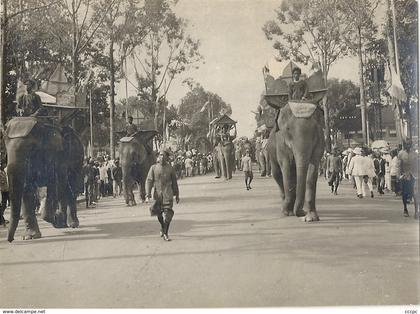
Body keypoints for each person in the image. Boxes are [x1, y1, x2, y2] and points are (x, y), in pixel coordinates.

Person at [146, 149, 180, 241]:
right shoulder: (153, 168)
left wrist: (177, 194)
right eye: (160, 155)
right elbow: (149, 180)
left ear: (167, 157)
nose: (162, 157)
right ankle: (162, 226)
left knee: (168, 214)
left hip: (168, 193)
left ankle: (166, 233)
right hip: (158, 195)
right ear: (157, 157)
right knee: (159, 214)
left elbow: (174, 182)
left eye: (164, 155)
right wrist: (148, 193)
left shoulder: (170, 168)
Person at [398, 140, 419, 218]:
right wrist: (399, 176)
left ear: (411, 145)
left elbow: (417, 165)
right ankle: (405, 209)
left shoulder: (415, 154)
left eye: (409, 144)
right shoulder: (401, 154)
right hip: (405, 176)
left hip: (414, 176)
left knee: (415, 194)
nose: (408, 146)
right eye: (406, 144)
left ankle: (416, 211)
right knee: (405, 193)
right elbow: (399, 166)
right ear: (404, 145)